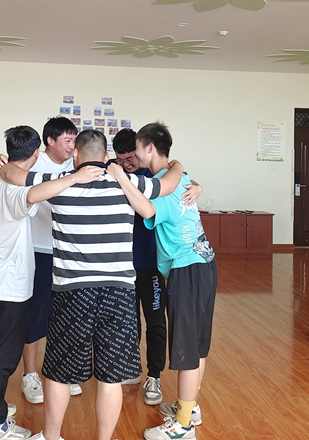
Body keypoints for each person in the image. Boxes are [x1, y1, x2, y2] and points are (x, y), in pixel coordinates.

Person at [0, 129, 182, 440]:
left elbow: (14, 177)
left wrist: (1, 164)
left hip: (72, 291)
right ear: (107, 155)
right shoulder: (128, 181)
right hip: (119, 292)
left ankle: (51, 437)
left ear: (75, 154)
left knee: (59, 373)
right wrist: (178, 164)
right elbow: (169, 183)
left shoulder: (59, 182)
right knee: (111, 378)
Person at [0, 126, 103, 440]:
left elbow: (21, 182)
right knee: (2, 356)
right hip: (9, 282)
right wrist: (76, 177)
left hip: (1, 277)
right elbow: (33, 194)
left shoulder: (0, 177)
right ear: (35, 153)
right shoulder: (14, 189)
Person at [107, 122, 215, 440]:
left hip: (186, 269)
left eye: (138, 149)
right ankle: (189, 407)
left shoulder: (162, 186)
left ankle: (182, 425)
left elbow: (146, 209)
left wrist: (121, 178)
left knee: (186, 351)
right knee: (197, 346)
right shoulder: (178, 175)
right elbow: (179, 172)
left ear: (150, 148)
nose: (135, 155)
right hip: (204, 265)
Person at [0, 116, 82, 403]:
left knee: (65, 315)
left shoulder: (78, 163)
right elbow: (8, 173)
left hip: (69, 253)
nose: (72, 146)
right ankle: (30, 374)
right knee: (35, 315)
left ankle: (58, 372)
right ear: (48, 142)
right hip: (39, 251)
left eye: (74, 141)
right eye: (67, 140)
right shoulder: (33, 162)